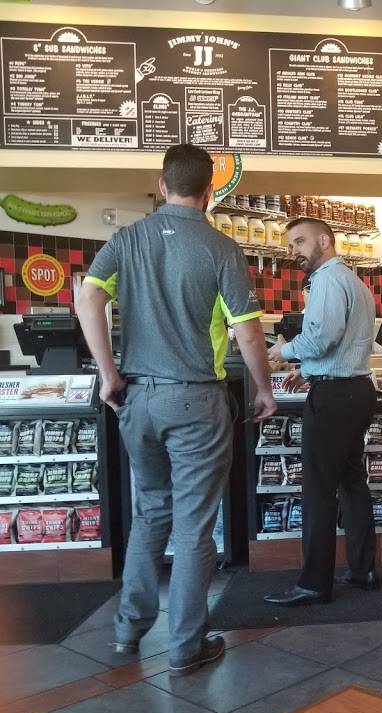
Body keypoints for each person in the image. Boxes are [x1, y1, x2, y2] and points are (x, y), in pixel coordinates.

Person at [76, 143, 277, 677]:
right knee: (193, 527)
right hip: (195, 401)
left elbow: (87, 297)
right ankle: (187, 646)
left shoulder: (127, 239)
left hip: (138, 400)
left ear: (161, 185)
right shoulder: (222, 248)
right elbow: (248, 332)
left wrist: (108, 374)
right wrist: (264, 389)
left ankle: (128, 632)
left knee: (150, 513)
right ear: (210, 193)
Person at [264, 217, 378, 606]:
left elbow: (320, 338)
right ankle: (363, 570)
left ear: (325, 240)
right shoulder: (354, 282)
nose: (293, 250)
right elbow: (338, 344)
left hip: (334, 399)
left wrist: (283, 351)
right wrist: (310, 370)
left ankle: (314, 584)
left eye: (300, 241)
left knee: (318, 490)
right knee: (352, 483)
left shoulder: (327, 279)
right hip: (357, 391)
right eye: (290, 244)